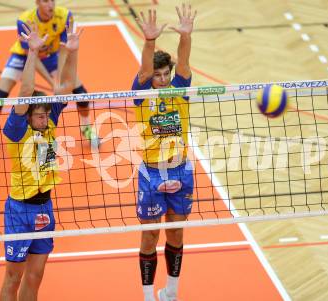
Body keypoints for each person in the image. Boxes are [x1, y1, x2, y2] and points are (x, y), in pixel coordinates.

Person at [0, 21, 81, 301]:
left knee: (35, 277)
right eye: (39, 114)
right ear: (27, 116)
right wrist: (32, 52)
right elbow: (24, 94)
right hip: (20, 210)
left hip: (45, 206)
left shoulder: (49, 123)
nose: (45, 117)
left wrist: (72, 51)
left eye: (46, 114)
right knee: (13, 276)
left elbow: (68, 86)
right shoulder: (17, 129)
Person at [132, 4, 197, 301]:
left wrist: (185, 36)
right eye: (156, 74)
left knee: (176, 233)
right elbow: (144, 71)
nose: (160, 78)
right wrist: (149, 41)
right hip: (151, 172)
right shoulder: (142, 94)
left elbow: (184, 63)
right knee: (149, 236)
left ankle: (171, 292)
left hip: (181, 170)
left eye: (164, 74)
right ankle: (147, 296)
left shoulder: (179, 88)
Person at [0, 0, 98, 150]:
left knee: (80, 93)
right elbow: (31, 56)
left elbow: (63, 50)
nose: (50, 5)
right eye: (46, 1)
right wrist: (51, 82)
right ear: (37, 3)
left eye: (52, 1)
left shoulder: (64, 16)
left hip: (51, 56)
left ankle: (86, 127)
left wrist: (58, 78)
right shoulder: (25, 19)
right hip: (24, 57)